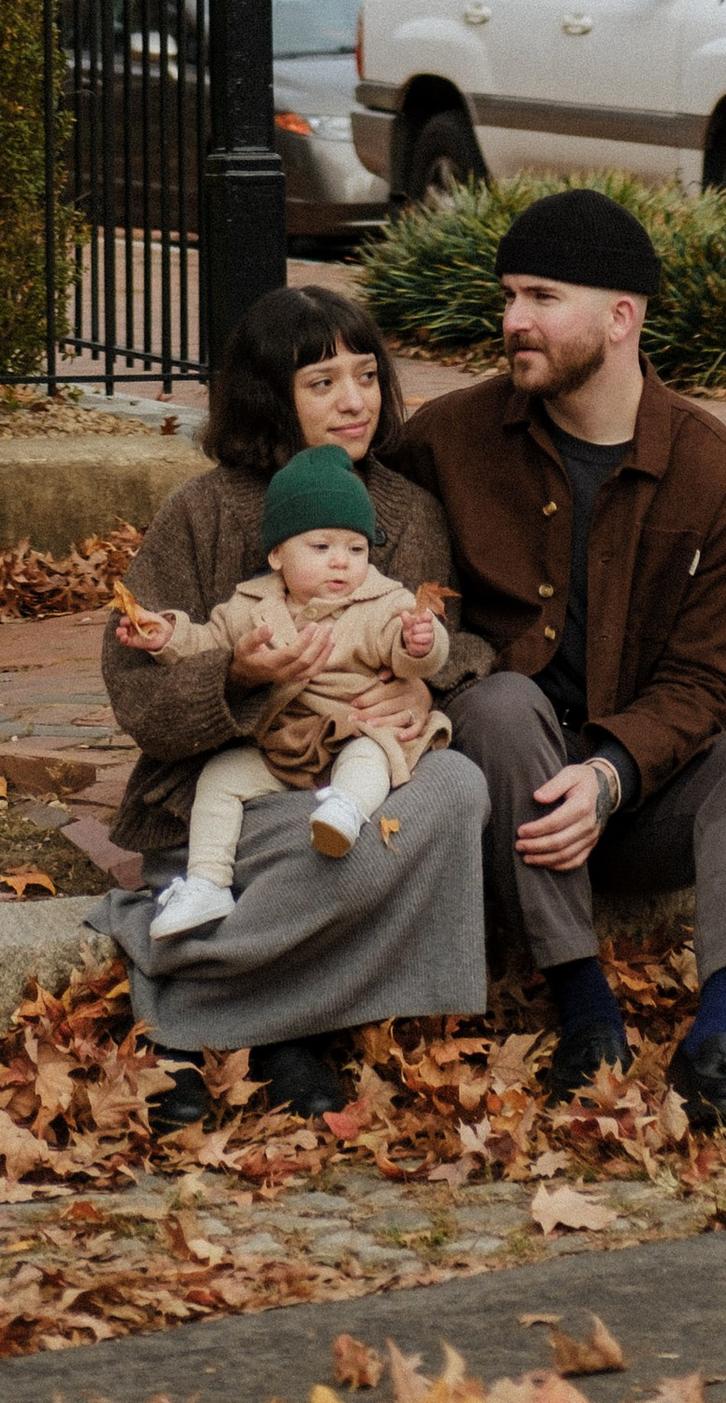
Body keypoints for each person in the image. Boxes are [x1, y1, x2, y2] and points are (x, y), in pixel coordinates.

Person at [391, 186, 726, 1130]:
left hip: (643, 792)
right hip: (507, 789)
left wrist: (612, 775)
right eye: (509, 297)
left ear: (621, 317)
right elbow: (354, 545)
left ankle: (723, 1040)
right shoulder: (447, 442)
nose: (513, 322)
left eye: (541, 297)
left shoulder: (719, 480)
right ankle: (587, 1013)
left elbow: (713, 680)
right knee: (498, 701)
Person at [96, 284, 491, 1125]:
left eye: (365, 375)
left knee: (455, 792)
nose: (353, 400)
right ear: (269, 395)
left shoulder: (406, 511)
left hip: (353, 778)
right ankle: (248, 1029)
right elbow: (136, 689)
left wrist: (427, 680)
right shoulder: (202, 511)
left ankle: (242, 1012)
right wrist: (235, 677)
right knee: (331, 855)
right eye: (321, 382)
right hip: (228, 796)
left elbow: (453, 635)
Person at [114, 442, 453, 936]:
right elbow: (209, 643)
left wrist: (419, 643)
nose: (341, 563)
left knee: (372, 755)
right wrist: (167, 636)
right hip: (283, 745)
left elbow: (405, 648)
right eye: (321, 548)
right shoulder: (249, 606)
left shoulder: (381, 601)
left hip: (351, 728)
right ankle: (207, 882)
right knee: (219, 779)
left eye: (355, 549)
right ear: (277, 554)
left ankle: (346, 810)